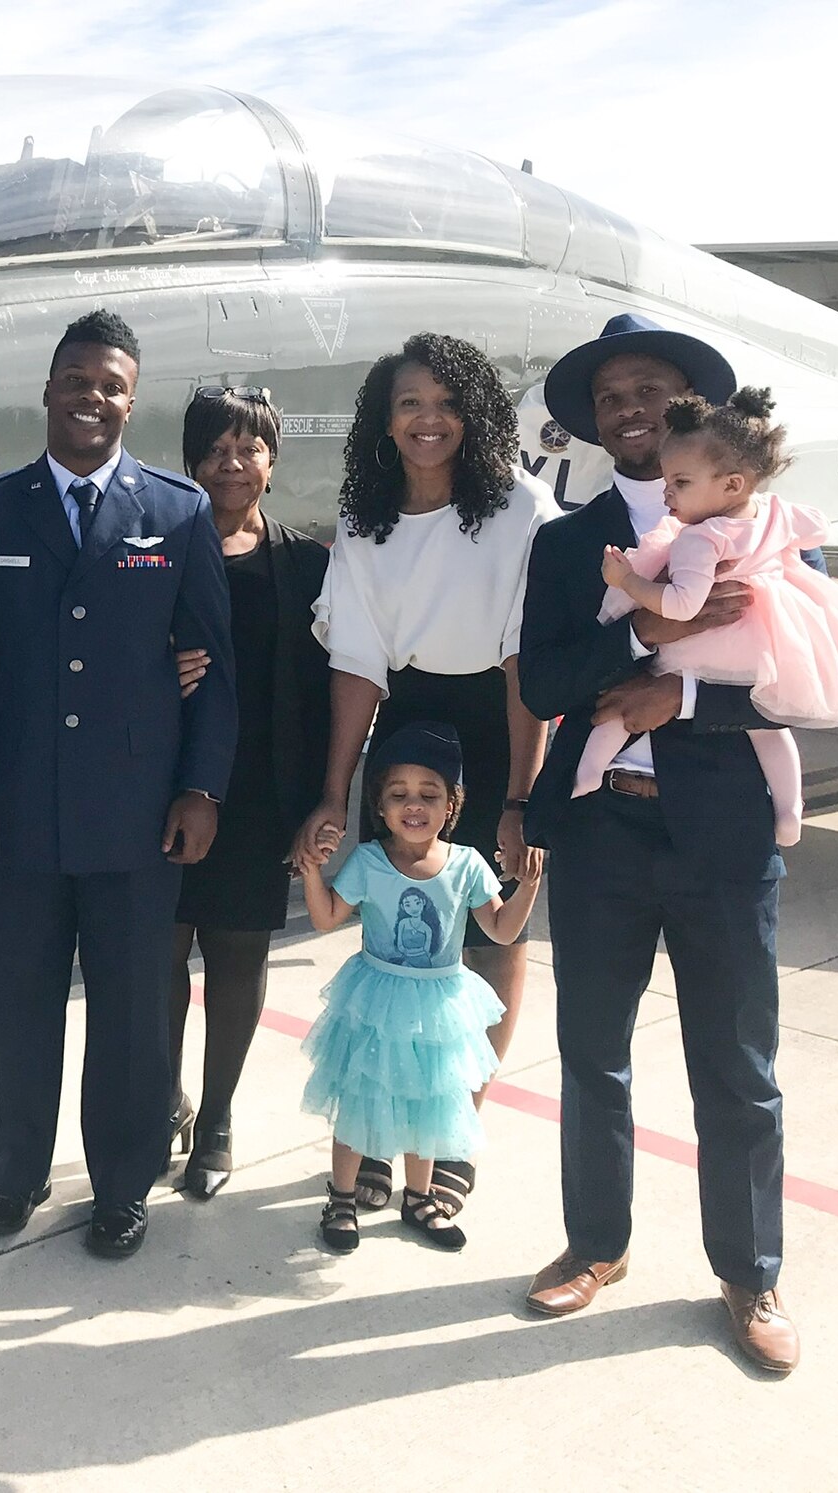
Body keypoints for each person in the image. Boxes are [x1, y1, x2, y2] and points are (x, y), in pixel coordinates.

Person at [521, 312, 801, 1374]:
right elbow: (545, 682)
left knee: (736, 1063)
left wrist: (670, 692)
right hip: (601, 833)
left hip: (721, 828)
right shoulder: (562, 540)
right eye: (608, 396)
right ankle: (595, 1244)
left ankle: (748, 1267)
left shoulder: (767, 526)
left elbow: (800, 685)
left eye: (646, 387)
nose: (627, 406)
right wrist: (644, 631)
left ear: (686, 403)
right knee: (591, 1052)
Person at [0, 309, 238, 1259]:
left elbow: (213, 669)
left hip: (139, 817)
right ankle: (14, 1173)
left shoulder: (177, 512)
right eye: (77, 380)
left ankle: (121, 1185)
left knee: (135, 1013)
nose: (92, 398)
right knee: (17, 1004)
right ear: (49, 389)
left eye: (110, 385)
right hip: (16, 814)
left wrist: (201, 789)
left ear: (131, 398)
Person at [295, 331, 555, 1219]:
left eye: (446, 402)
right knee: (396, 937)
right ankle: (375, 1128)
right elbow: (358, 664)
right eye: (409, 403)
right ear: (385, 418)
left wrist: (519, 795)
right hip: (406, 720)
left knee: (487, 935)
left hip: (496, 718)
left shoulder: (520, 509)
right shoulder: (366, 518)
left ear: (475, 412)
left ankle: (450, 1133)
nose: (428, 420)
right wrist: (337, 791)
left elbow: (527, 664)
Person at [578, 388, 838, 845]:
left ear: (731, 484)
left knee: (621, 710)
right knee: (770, 732)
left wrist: (627, 583)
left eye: (679, 483)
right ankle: (789, 808)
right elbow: (814, 524)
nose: (667, 493)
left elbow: (683, 605)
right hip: (775, 641)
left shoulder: (700, 538)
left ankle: (586, 779)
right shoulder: (774, 511)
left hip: (709, 649)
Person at [167, 387, 330, 1199]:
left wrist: (322, 801)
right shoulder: (154, 548)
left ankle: (219, 1113)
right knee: (161, 952)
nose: (231, 464)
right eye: (215, 449)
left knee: (237, 952)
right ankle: (164, 1097)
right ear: (190, 460)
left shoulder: (306, 563)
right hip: (162, 787)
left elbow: (331, 687)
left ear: (272, 459)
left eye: (248, 447)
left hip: (260, 790)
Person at [298, 722, 540, 1253]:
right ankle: (341, 1195)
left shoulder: (468, 865)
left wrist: (527, 886)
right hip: (376, 998)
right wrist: (314, 872)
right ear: (379, 807)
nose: (414, 806)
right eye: (398, 795)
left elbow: (501, 930)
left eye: (429, 794)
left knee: (430, 1099)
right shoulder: (368, 861)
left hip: (438, 1003)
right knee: (362, 1097)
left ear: (452, 805)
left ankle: (418, 1194)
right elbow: (325, 918)